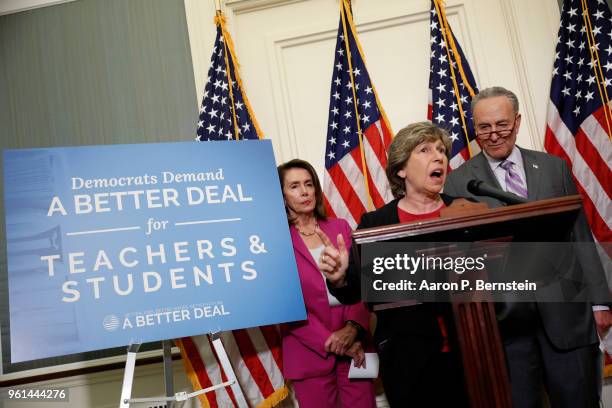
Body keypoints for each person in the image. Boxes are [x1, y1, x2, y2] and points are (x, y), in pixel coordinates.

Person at [443, 86, 612, 407]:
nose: (494, 134)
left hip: (568, 317)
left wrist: (600, 303)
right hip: (506, 328)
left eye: (502, 124)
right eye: (484, 127)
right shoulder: (458, 182)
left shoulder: (553, 168)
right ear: (474, 129)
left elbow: (579, 235)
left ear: (517, 122)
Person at [319, 122, 469, 407]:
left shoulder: (467, 210)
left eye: (441, 150)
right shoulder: (376, 224)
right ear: (401, 169)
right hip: (407, 360)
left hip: (472, 351)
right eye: (425, 150)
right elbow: (354, 290)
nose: (439, 157)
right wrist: (340, 278)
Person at [277, 159, 376, 408]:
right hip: (309, 350)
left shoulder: (340, 226)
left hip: (356, 344)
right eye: (295, 186)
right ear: (282, 195)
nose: (305, 191)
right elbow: (284, 306)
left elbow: (363, 281)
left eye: (309, 184)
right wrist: (330, 340)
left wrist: (352, 329)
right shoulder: (275, 241)